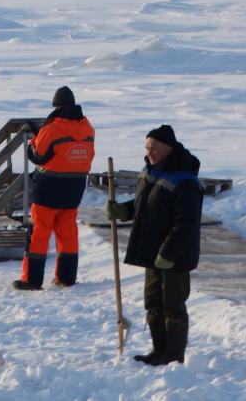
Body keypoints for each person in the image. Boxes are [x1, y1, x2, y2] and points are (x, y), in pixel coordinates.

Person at [105, 124, 201, 366]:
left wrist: (168, 253)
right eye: (147, 147)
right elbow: (145, 206)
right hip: (153, 253)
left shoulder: (185, 180)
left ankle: (174, 355)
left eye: (154, 147)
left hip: (174, 256)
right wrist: (123, 210)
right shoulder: (150, 172)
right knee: (153, 302)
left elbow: (187, 223)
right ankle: (159, 350)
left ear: (168, 148)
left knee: (173, 305)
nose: (150, 152)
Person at [13, 86, 95, 290]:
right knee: (67, 233)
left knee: (39, 234)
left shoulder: (51, 129)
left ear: (56, 106)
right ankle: (66, 277)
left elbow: (37, 156)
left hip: (48, 190)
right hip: (74, 189)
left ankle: (31, 280)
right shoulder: (88, 127)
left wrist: (35, 138)